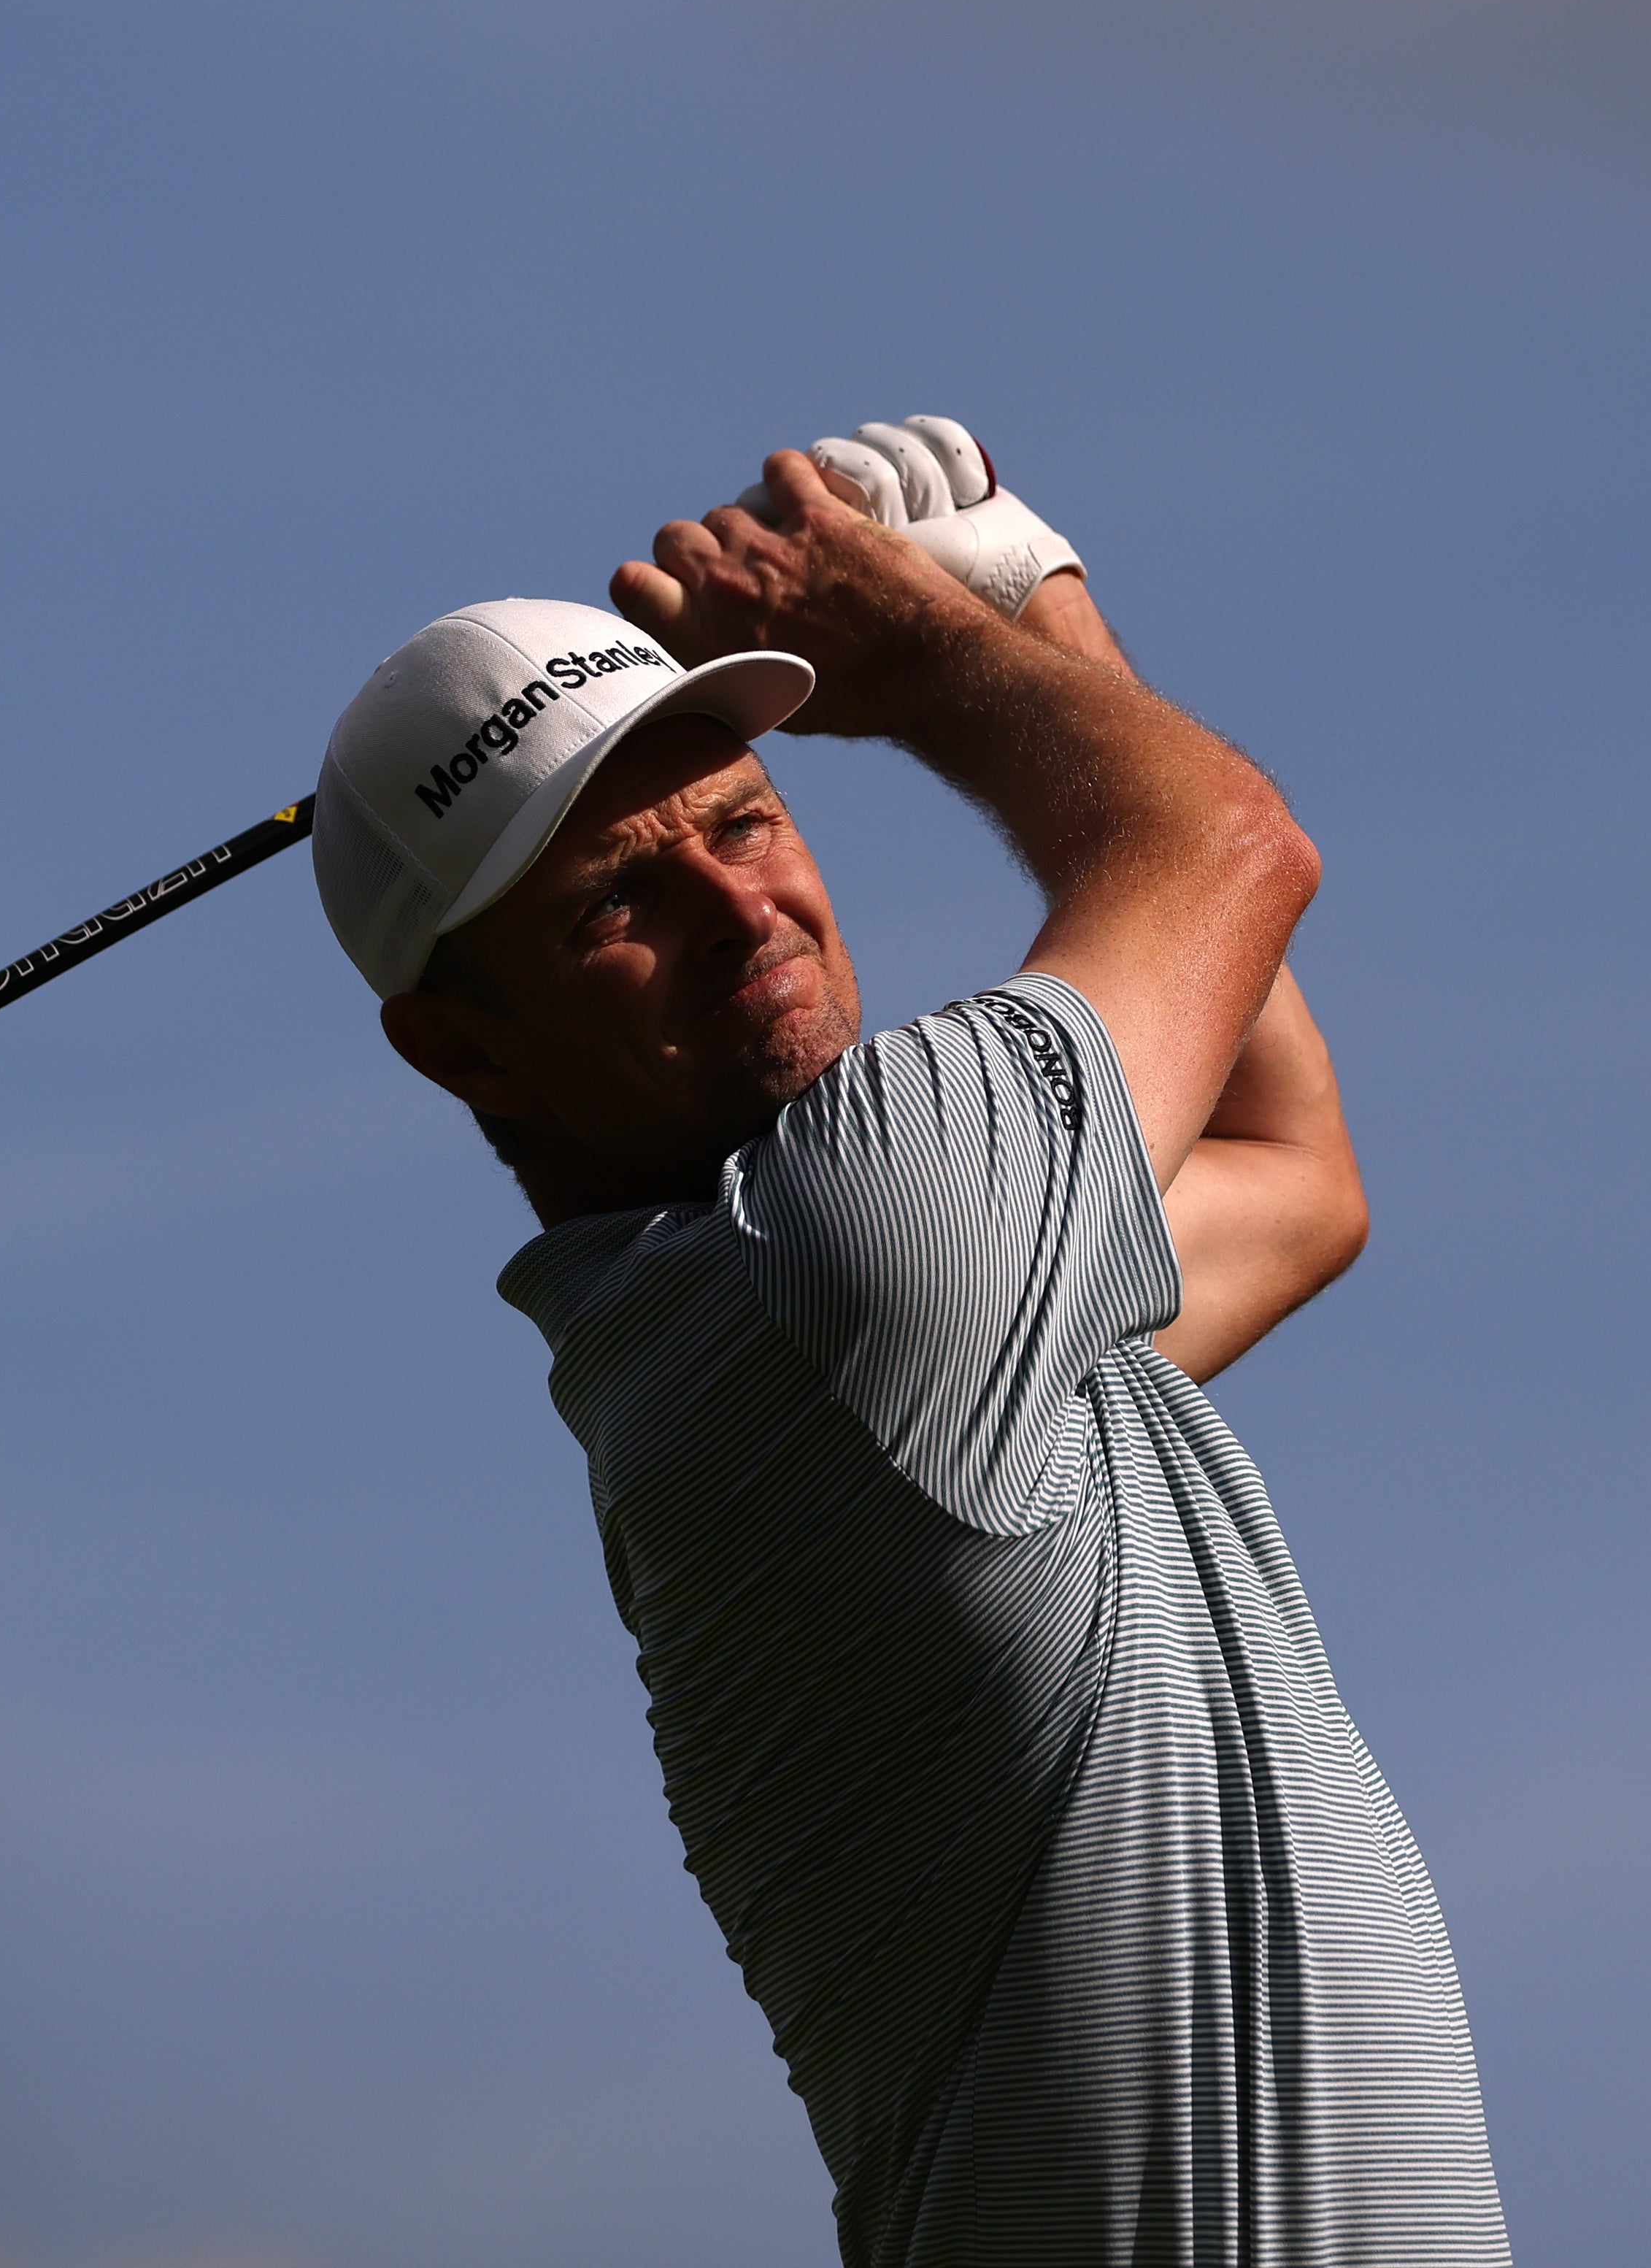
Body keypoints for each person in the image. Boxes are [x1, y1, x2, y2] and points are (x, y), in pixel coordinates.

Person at [305, 420, 1508, 2265]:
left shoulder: (846, 1313)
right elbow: (1230, 847)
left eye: (745, 820)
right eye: (616, 903)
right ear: (460, 1051)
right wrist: (956, 633)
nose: (738, 913)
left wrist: (1021, 623)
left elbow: (1289, 1176)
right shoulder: (855, 1250)